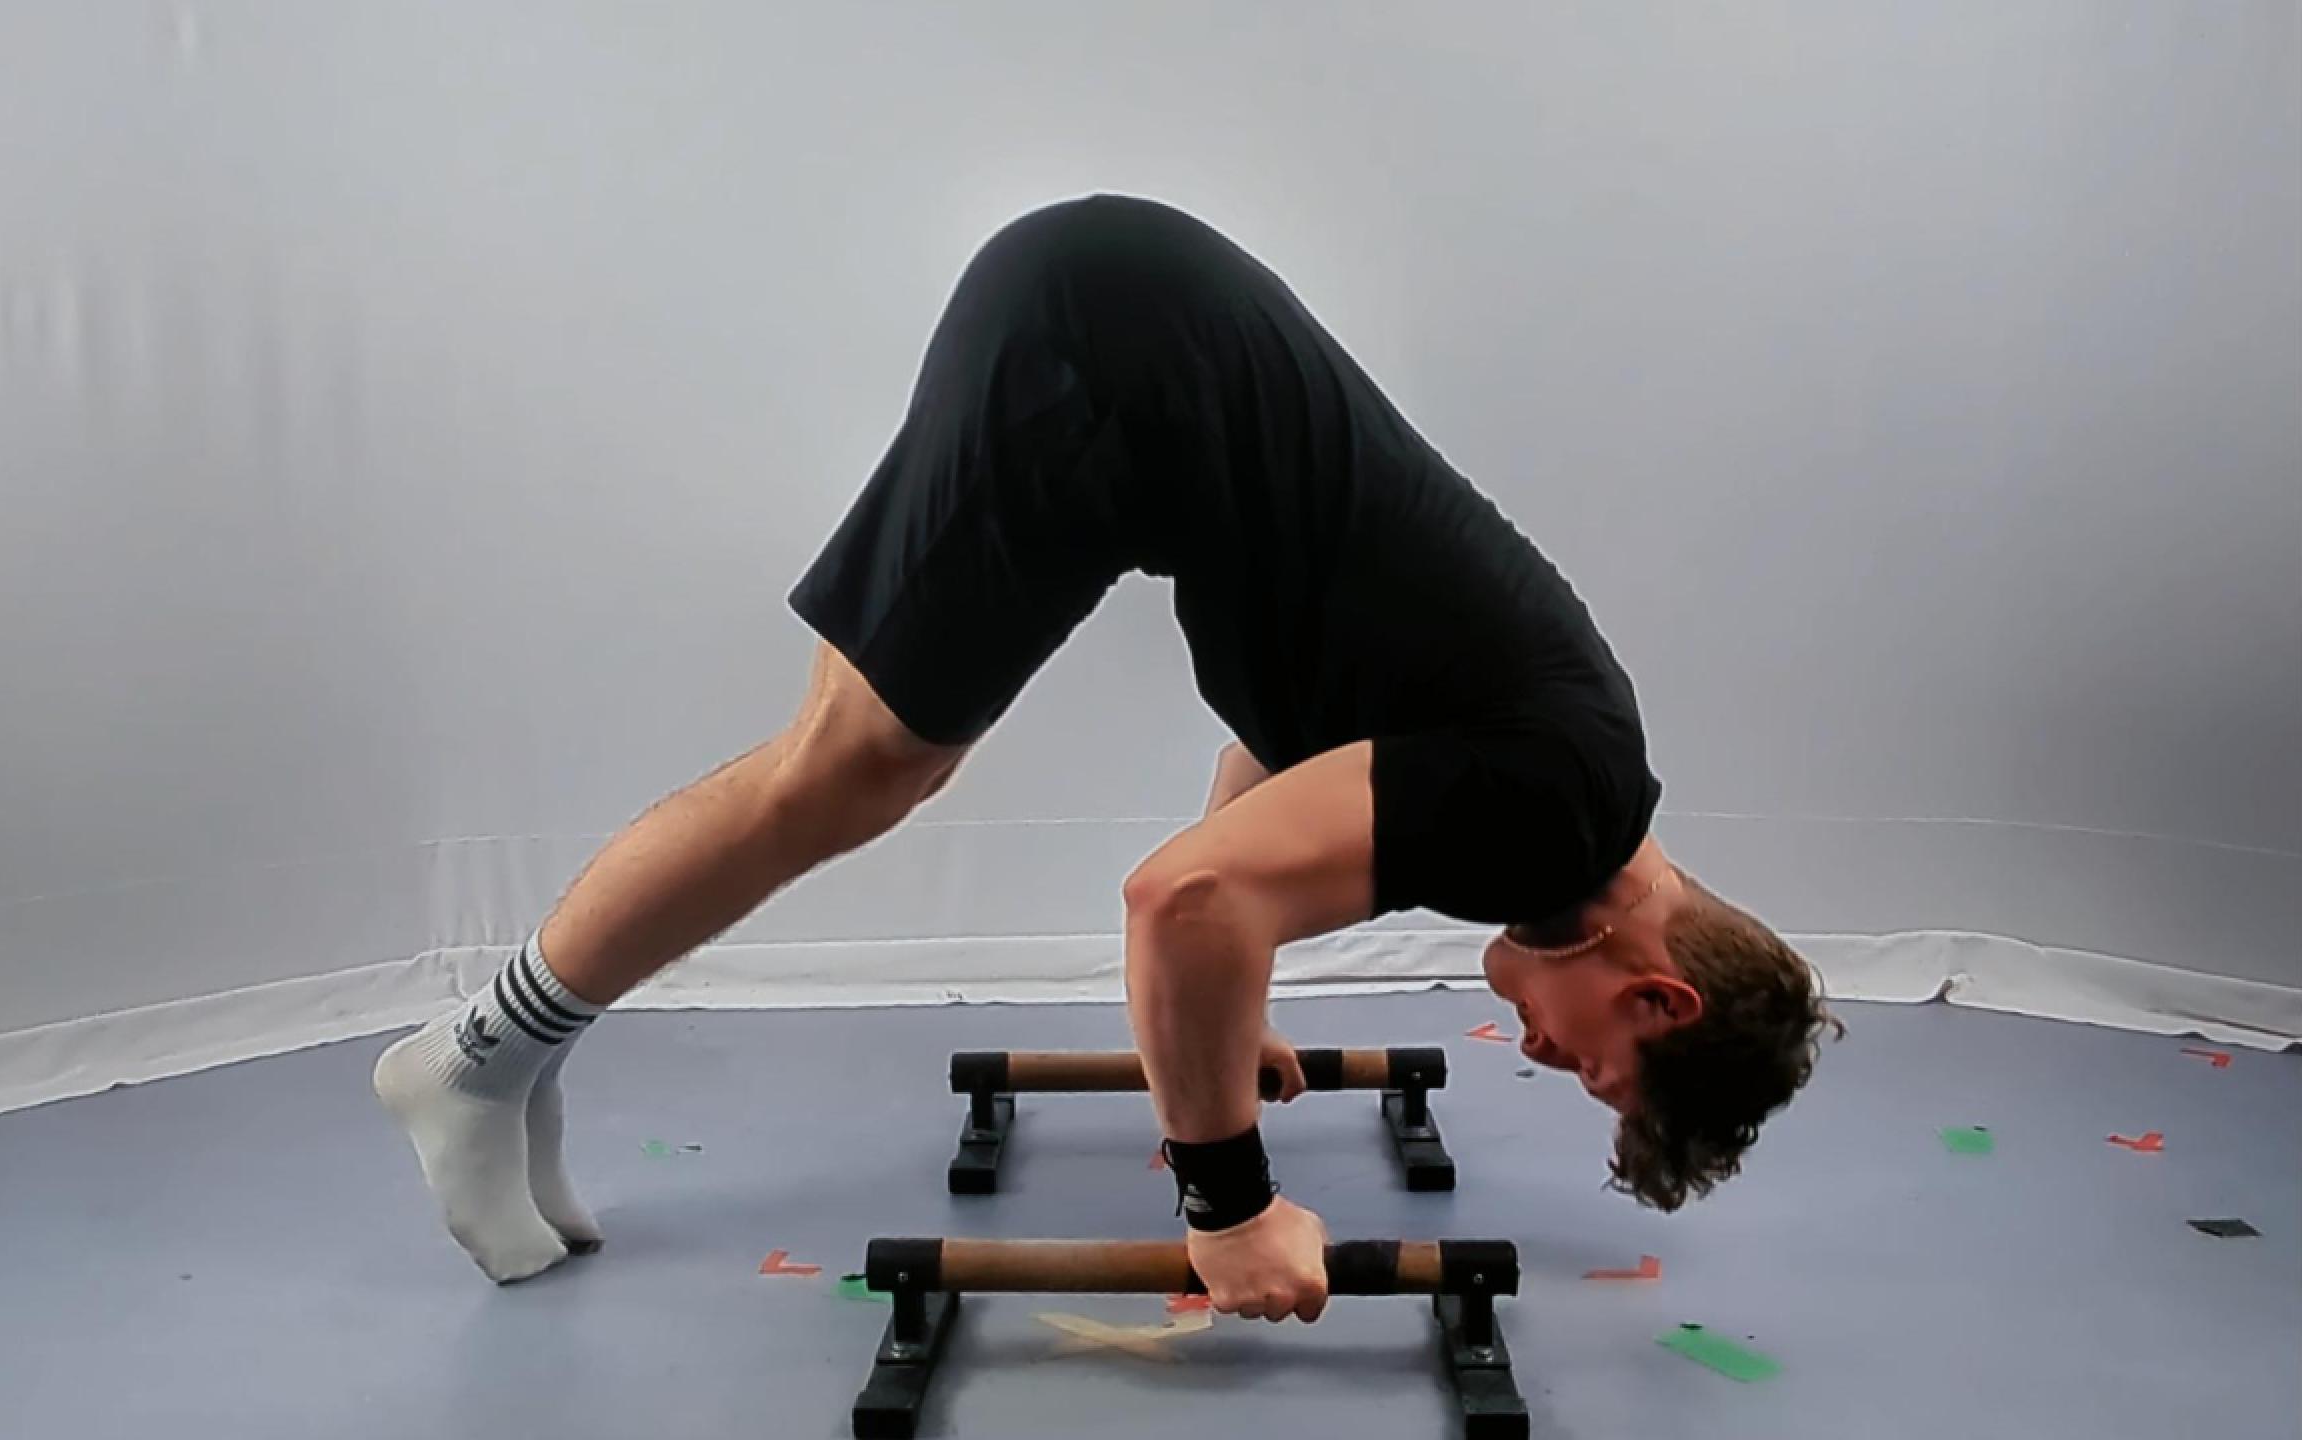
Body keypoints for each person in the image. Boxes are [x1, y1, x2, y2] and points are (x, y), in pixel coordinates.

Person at [375, 195, 1840, 1315]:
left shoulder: (1579, 784)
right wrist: (1229, 1203)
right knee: (854, 764)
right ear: (1658, 989)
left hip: (1128, 331)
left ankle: (517, 1063)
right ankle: (478, 1057)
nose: (1543, 1059)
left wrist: (1231, 1009)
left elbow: (1274, 774)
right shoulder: (1549, 825)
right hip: (1105, 353)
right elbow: (1183, 901)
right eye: (1601, 1071)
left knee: (865, 761)